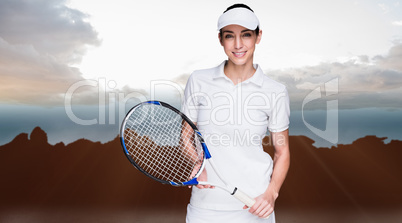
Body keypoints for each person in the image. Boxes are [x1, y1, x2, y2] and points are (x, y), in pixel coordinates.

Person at [181, 3, 290, 223]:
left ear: (258, 37)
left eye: (246, 35)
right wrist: (197, 163)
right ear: (220, 39)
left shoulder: (275, 91)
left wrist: (271, 193)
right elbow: (185, 135)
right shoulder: (199, 80)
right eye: (230, 36)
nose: (238, 44)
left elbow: (282, 151)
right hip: (205, 207)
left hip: (255, 206)